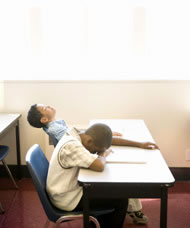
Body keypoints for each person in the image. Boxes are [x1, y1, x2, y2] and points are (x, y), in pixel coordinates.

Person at [27, 103, 159, 225]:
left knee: (111, 188)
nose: (95, 152)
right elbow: (99, 165)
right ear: (90, 141)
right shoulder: (72, 147)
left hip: (66, 189)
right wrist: (103, 154)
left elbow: (107, 140)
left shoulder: (75, 133)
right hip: (67, 199)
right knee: (121, 198)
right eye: (96, 149)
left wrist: (139, 144)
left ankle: (96, 224)